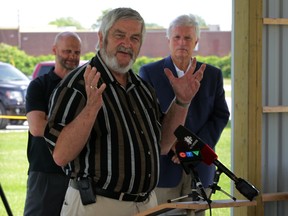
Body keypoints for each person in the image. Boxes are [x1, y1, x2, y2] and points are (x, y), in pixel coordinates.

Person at [44, 8, 206, 216]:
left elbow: (163, 145)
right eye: (119, 35)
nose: (127, 44)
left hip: (146, 204)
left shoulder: (142, 88)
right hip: (97, 205)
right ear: (102, 37)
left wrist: (182, 102)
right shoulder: (77, 85)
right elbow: (61, 155)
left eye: (135, 38)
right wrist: (91, 108)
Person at [139, 14, 230, 212]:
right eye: (177, 37)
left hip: (199, 167)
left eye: (188, 38)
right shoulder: (150, 73)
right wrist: (173, 145)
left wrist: (191, 149)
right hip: (164, 171)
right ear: (169, 41)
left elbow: (220, 115)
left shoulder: (212, 75)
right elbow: (145, 117)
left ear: (196, 41)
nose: (182, 42)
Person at [24, 31, 82, 216]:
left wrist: (53, 123)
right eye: (67, 51)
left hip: (79, 173)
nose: (72, 57)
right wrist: (76, 129)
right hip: (45, 170)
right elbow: (37, 127)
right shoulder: (39, 86)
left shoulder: (85, 87)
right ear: (55, 50)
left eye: (76, 52)